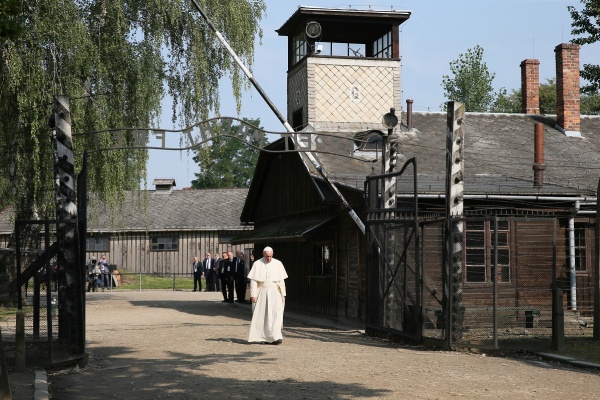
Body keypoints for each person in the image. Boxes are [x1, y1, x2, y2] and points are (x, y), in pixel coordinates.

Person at [247, 246, 288, 345]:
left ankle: (276, 336)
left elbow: (281, 280)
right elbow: (254, 281)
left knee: (276, 315)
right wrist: (253, 295)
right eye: (266, 256)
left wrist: (284, 293)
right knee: (262, 316)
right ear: (263, 254)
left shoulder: (278, 263)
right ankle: (262, 337)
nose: (268, 258)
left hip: (275, 293)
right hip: (262, 292)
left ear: (272, 254)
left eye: (270, 256)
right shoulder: (257, 264)